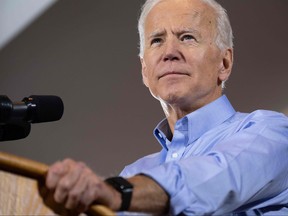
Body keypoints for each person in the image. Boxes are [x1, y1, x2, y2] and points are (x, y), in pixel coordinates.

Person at [45, 0, 288, 215]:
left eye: (187, 37)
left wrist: (119, 192)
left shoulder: (271, 132)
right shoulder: (134, 172)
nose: (169, 52)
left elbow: (211, 180)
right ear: (144, 70)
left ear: (224, 62)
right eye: (157, 40)